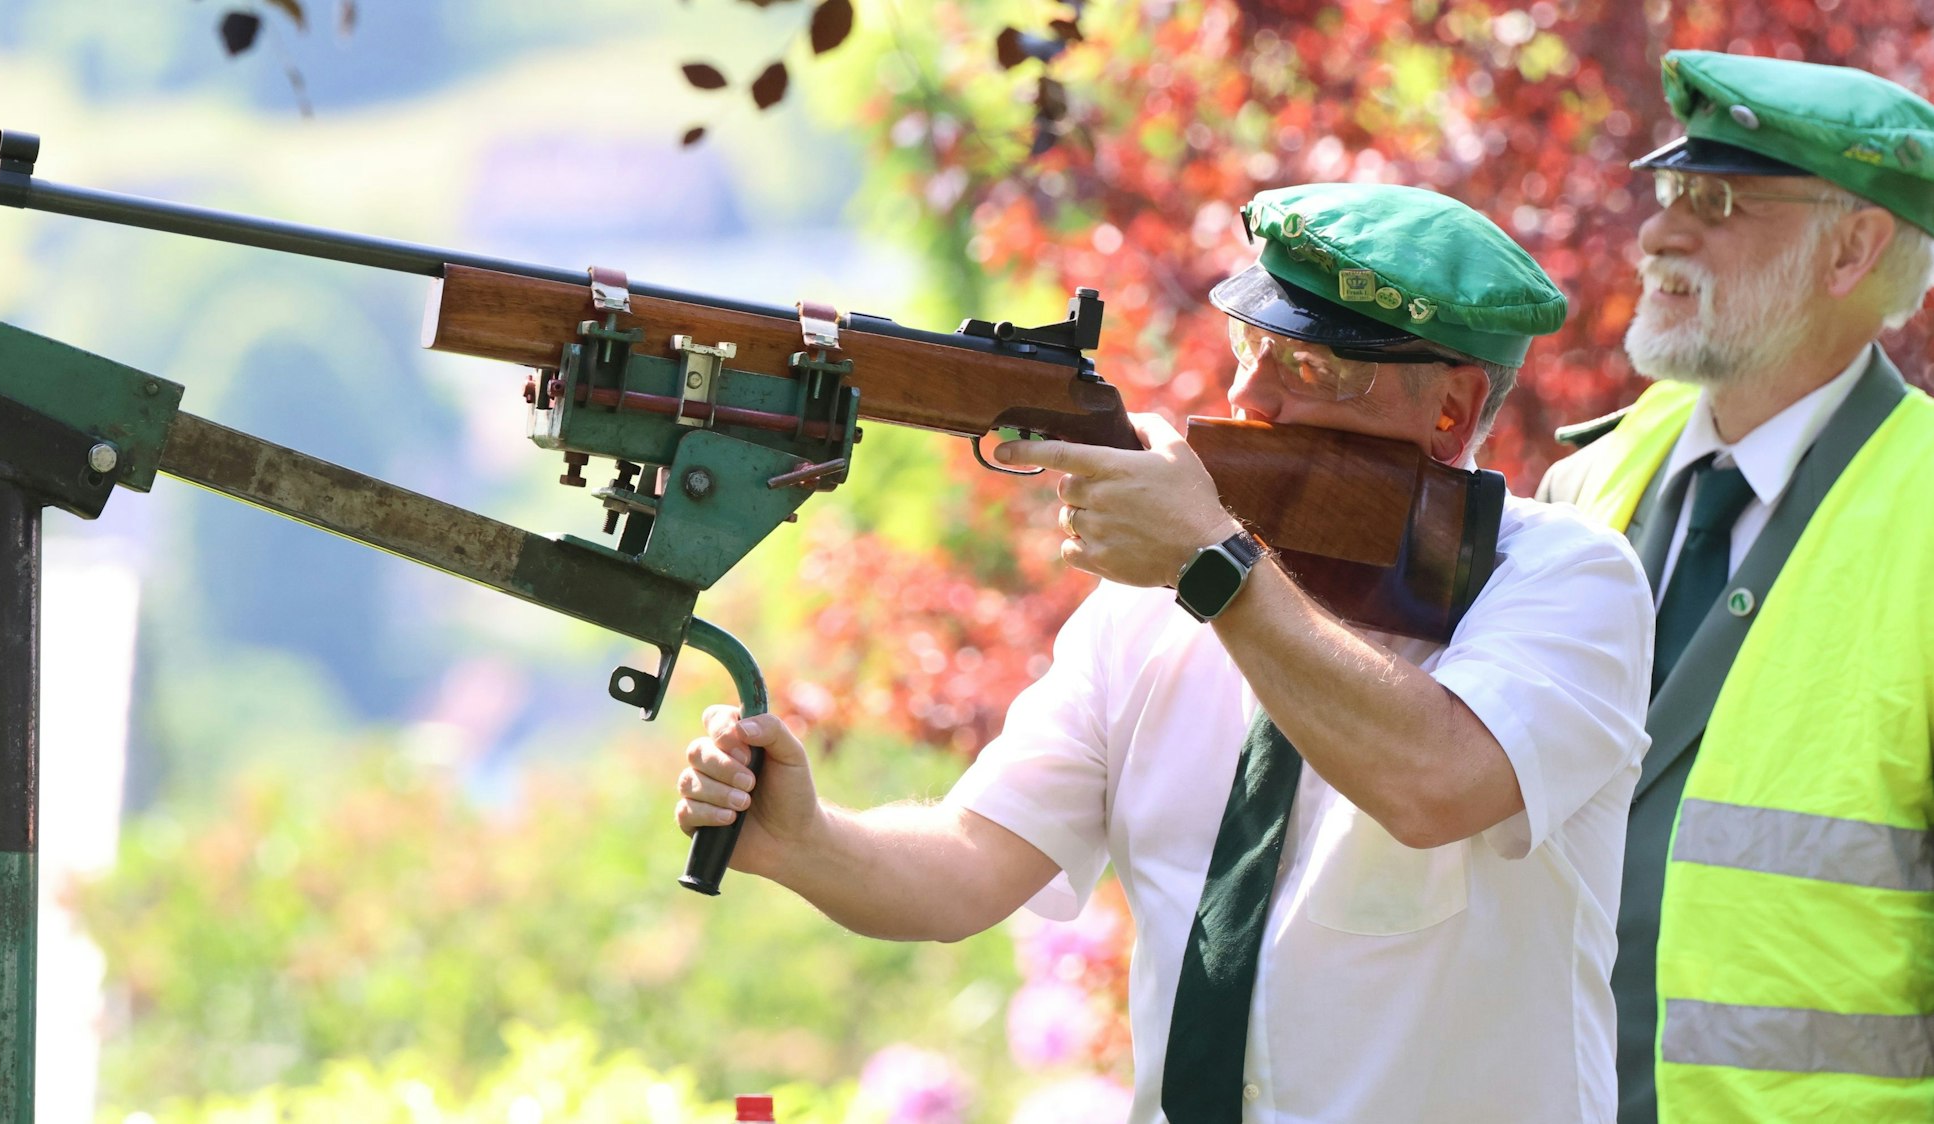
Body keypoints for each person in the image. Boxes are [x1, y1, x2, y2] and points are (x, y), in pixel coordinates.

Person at [680, 183, 1653, 1123]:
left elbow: (1435, 781)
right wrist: (806, 838)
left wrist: (1213, 563)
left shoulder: (1569, 580)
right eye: (1250, 344)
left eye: (1307, 366)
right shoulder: (1152, 603)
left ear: (1450, 409)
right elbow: (968, 866)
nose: (1245, 391)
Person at [1536, 50, 1934, 1123]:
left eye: (1717, 202)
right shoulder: (1587, 479)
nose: (1659, 233)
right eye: (1669, 192)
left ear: (1853, 247)